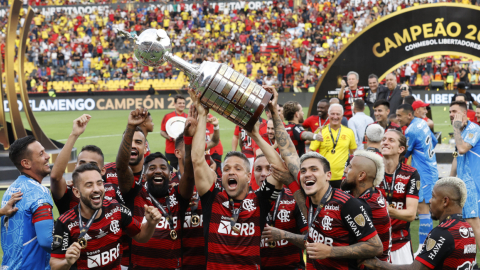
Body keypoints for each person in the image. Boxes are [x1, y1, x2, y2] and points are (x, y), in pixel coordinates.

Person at [189, 88, 283, 269]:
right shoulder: (212, 197)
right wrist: (202, 115)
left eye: (237, 168)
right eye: (227, 169)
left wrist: (255, 135)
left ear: (248, 177)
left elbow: (279, 169)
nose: (231, 172)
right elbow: (197, 159)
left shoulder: (259, 200)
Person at [116, 108, 196, 270]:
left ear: (170, 173)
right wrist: (130, 128)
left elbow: (189, 174)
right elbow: (122, 168)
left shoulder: (178, 195)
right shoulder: (135, 193)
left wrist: (188, 138)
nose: (158, 171)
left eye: (163, 167)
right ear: (144, 176)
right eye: (152, 168)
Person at [49, 164, 162, 270]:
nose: (97, 189)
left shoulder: (116, 209)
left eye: (99, 183)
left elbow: (141, 236)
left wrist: (151, 223)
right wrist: (67, 262)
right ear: (77, 192)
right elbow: (54, 265)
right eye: (89, 185)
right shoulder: (65, 223)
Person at [363, 177, 477, 270]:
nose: (430, 201)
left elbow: (416, 269)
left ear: (445, 201)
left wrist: (376, 264)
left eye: (433, 196)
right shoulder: (467, 228)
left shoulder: (443, 232)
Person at [249, 126, 307, 269]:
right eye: (258, 169)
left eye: (269, 168)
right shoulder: (246, 201)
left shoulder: (294, 200)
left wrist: (284, 235)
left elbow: (312, 241)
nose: (263, 174)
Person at [50, 115, 124, 215]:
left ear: (102, 171)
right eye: (82, 163)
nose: (87, 167)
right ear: (75, 166)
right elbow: (55, 177)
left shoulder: (112, 189)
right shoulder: (68, 191)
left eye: (93, 164)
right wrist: (74, 134)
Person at [1, 136, 54, 270]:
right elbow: (47, 241)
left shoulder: (10, 190)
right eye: (41, 154)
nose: (47, 156)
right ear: (26, 163)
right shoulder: (39, 192)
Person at [397, 103, 439, 256]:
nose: (397, 118)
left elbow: (403, 156)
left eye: (399, 115)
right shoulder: (422, 122)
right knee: (425, 209)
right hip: (430, 168)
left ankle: (424, 248)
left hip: (424, 172)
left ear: (409, 115)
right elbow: (434, 142)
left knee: (423, 210)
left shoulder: (411, 130)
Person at [377, 130, 420, 264]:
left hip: (400, 242)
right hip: (374, 241)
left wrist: (379, 208)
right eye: (383, 139)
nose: (385, 142)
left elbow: (411, 214)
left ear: (401, 149)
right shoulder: (372, 170)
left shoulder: (411, 173)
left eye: (391, 140)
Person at [342, 150, 392, 263]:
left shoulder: (368, 204)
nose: (345, 170)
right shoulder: (372, 193)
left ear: (361, 175)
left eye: (349, 167)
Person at [448, 101, 480, 251]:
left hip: (473, 184)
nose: (451, 115)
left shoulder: (474, 129)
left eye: (454, 111)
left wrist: (456, 129)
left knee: (473, 224)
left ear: (463, 114)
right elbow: (456, 156)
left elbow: (461, 149)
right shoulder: (461, 130)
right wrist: (450, 179)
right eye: (450, 112)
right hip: (465, 183)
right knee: (469, 224)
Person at [310, 104, 357, 188]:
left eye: (338, 114)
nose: (335, 117)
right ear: (328, 115)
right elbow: (311, 152)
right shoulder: (320, 131)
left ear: (342, 116)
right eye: (332, 114)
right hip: (325, 176)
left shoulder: (349, 132)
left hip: (343, 176)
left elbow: (354, 153)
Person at [161, 94, 187, 170]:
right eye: (179, 103)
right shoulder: (168, 116)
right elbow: (162, 132)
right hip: (171, 151)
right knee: (171, 172)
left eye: (183, 103)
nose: (182, 105)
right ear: (174, 104)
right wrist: (171, 138)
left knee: (186, 172)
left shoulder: (188, 117)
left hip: (184, 151)